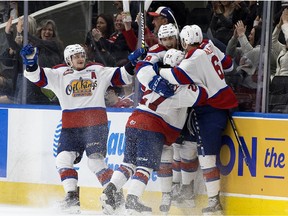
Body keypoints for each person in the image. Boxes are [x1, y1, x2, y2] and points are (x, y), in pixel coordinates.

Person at [20, 43, 143, 214]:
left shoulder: (97, 70)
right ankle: (72, 197)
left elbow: (121, 76)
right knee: (62, 159)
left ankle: (112, 195)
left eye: (82, 55)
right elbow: (37, 77)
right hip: (70, 128)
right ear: (68, 60)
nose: (80, 58)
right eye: (75, 56)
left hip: (95, 124)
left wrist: (132, 63)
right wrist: (31, 62)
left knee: (95, 162)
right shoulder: (59, 73)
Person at [100, 58, 208, 215]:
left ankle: (109, 192)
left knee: (128, 163)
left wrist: (154, 63)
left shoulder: (152, 77)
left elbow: (142, 66)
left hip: (134, 120)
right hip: (152, 126)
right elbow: (203, 95)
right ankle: (133, 199)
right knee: (145, 166)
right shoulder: (181, 89)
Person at [150, 24, 238, 214]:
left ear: (183, 41)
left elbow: (176, 76)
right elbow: (229, 64)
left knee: (206, 158)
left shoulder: (192, 58)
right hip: (216, 105)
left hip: (211, 108)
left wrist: (156, 69)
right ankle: (188, 190)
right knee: (189, 150)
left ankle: (214, 202)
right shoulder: (208, 45)